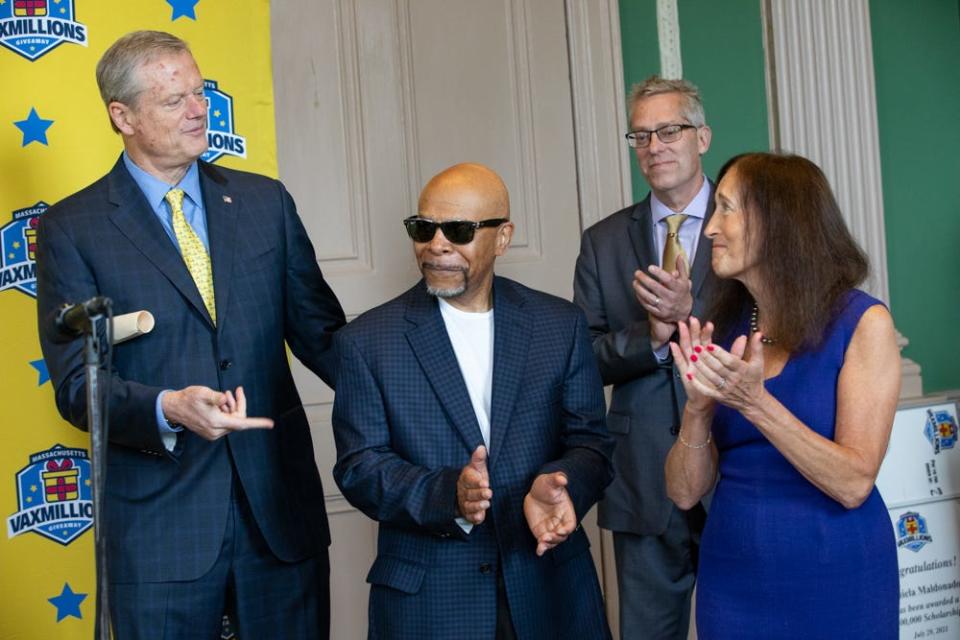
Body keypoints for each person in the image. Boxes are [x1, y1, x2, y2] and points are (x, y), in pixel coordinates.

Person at [36, 30, 346, 638]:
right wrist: (167, 407)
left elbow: (326, 338)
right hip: (158, 537)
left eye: (200, 92)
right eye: (175, 100)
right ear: (121, 116)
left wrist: (425, 376)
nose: (200, 110)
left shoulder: (264, 204)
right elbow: (78, 387)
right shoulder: (73, 228)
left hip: (279, 521)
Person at [332, 163, 614, 639]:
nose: (436, 244)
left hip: (550, 588)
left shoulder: (558, 325)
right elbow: (360, 466)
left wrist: (561, 485)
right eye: (423, 228)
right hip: (430, 603)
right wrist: (450, 495)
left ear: (502, 237)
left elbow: (591, 443)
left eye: (458, 230)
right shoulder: (367, 340)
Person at [665, 152, 900, 638]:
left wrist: (756, 403)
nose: (710, 228)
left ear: (779, 222)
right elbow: (684, 492)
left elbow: (854, 482)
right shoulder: (726, 326)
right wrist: (698, 409)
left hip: (835, 576)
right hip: (732, 578)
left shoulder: (863, 323)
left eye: (726, 208)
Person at [573, 75, 715, 638]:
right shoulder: (603, 241)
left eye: (669, 131)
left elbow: (778, 331)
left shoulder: (751, 224)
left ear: (701, 137)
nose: (654, 146)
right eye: (640, 136)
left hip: (740, 464)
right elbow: (581, 358)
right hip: (644, 474)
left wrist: (690, 311)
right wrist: (653, 336)